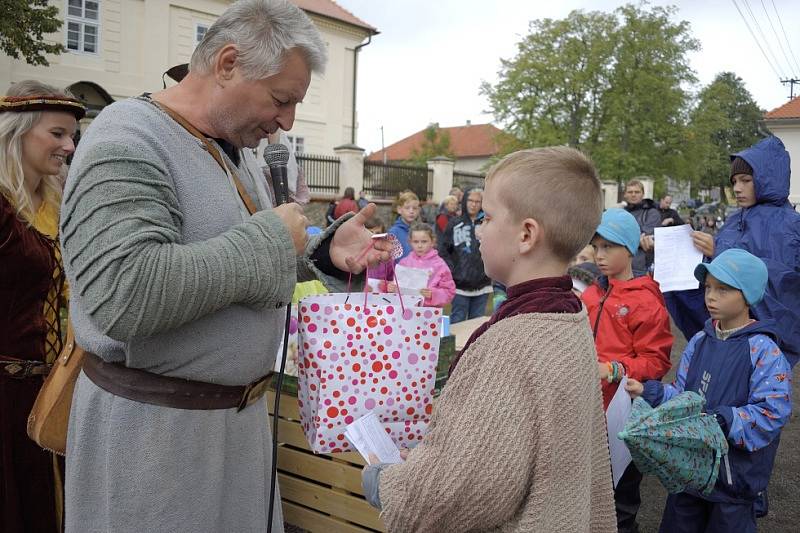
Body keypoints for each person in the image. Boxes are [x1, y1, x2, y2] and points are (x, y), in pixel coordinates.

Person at [58, 2, 392, 531]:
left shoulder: (235, 151)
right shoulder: (126, 138)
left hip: (233, 437)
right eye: (282, 100)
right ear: (229, 63)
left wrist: (322, 252)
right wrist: (268, 240)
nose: (286, 123)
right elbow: (124, 294)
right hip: (154, 447)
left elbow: (229, 259)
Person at [361, 147, 616, 532]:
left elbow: (463, 489)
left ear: (526, 234)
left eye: (488, 217)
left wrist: (389, 484)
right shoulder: (567, 315)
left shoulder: (511, 344)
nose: (478, 229)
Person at [626, 249, 791, 533]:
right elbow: (682, 396)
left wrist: (723, 420)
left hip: (733, 482)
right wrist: (649, 391)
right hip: (688, 472)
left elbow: (772, 412)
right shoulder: (700, 341)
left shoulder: (764, 350)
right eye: (708, 288)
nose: (711, 296)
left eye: (723, 289)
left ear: (748, 296)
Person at [1, 80, 84, 533]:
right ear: (19, 132)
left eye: (72, 135)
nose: (69, 146)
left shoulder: (59, 202)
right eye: (57, 134)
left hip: (49, 390)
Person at [671, 137, 800, 369]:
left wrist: (718, 251)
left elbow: (781, 285)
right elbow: (713, 274)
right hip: (727, 333)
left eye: (746, 180)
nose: (737, 188)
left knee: (756, 397)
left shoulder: (789, 226)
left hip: (761, 346)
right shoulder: (734, 220)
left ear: (766, 179)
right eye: (734, 181)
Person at [581, 208, 673, 533]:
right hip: (587, 407)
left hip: (624, 413)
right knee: (585, 491)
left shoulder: (645, 302)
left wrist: (613, 369)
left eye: (609, 247)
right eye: (596, 246)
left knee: (620, 498)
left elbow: (657, 361)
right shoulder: (591, 293)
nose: (600, 255)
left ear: (630, 249)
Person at [439, 188, 492, 323]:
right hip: (460, 284)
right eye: (470, 200)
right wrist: (452, 269)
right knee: (458, 320)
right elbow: (444, 250)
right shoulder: (454, 223)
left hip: (482, 283)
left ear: (482, 203)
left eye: (477, 201)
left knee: (477, 323)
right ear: (464, 202)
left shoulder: (488, 224)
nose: (473, 204)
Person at [386, 222, 455, 307]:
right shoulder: (404, 263)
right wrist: (392, 288)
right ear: (410, 242)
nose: (419, 245)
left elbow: (449, 292)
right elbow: (396, 286)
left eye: (424, 241)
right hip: (406, 311)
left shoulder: (440, 265)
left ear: (432, 242)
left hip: (430, 313)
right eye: (416, 242)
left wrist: (433, 294)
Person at [623, 179, 661, 273]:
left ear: (643, 194)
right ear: (625, 195)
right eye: (630, 192)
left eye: (637, 192)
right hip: (620, 265)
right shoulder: (620, 213)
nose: (633, 194)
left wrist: (621, 239)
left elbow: (645, 238)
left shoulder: (652, 213)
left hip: (641, 268)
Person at [388, 190, 420, 260]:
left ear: (418, 210)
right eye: (407, 208)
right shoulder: (393, 232)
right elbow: (392, 257)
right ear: (399, 209)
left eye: (414, 208)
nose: (411, 211)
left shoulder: (419, 231)